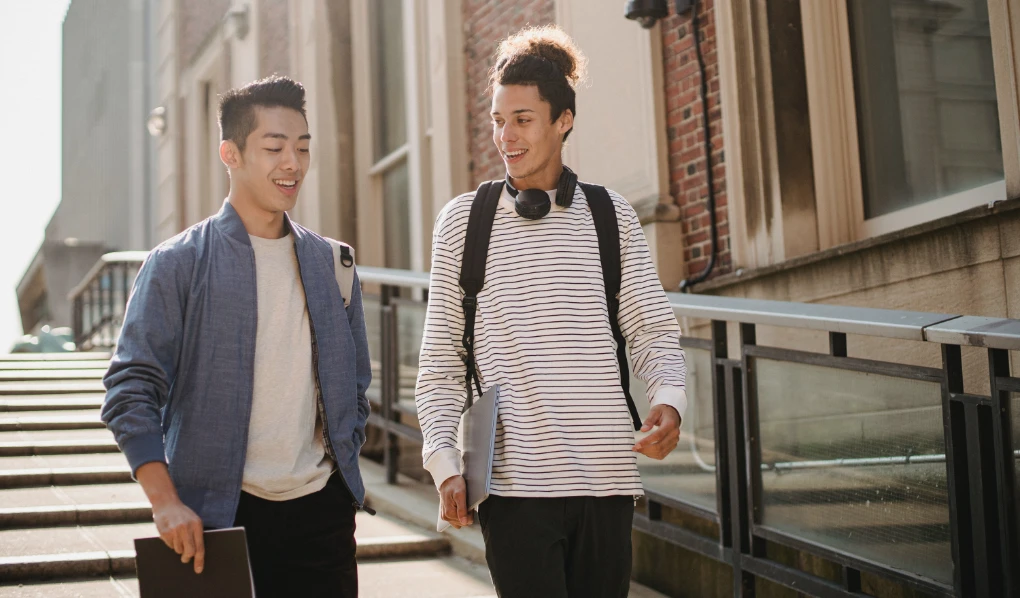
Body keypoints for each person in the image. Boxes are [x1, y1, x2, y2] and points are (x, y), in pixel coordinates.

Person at [415, 26, 688, 598]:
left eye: (522, 119)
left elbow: (651, 329)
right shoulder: (464, 223)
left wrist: (669, 398)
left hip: (608, 485)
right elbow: (440, 362)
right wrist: (444, 464)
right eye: (497, 119)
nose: (504, 135)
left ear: (562, 120)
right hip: (513, 493)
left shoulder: (611, 215)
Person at [102, 75, 371, 597]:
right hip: (216, 521)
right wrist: (165, 502)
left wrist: (343, 471)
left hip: (323, 519)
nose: (292, 162)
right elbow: (130, 388)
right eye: (274, 147)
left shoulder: (332, 263)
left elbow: (355, 381)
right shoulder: (177, 263)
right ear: (231, 153)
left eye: (302, 147)